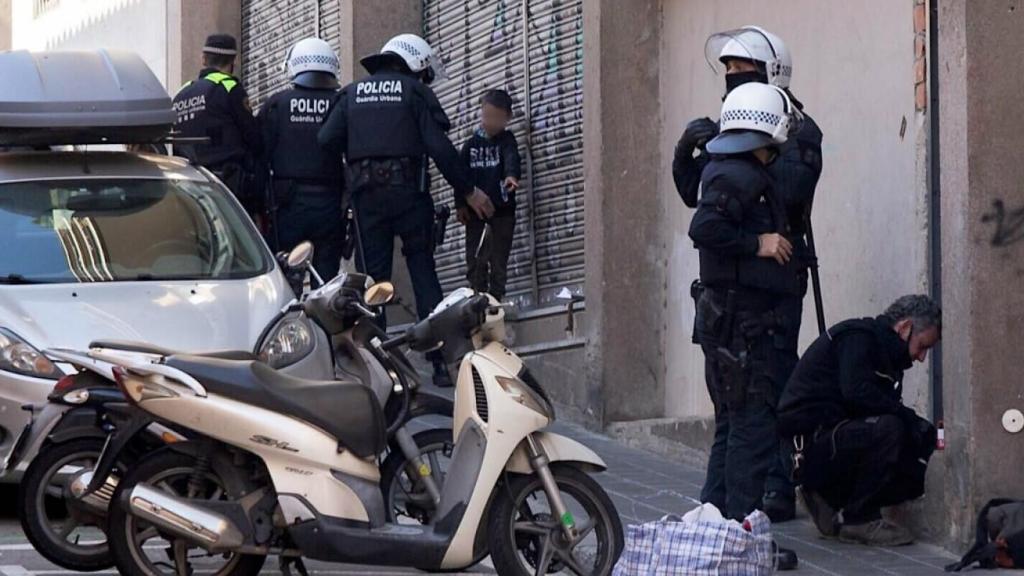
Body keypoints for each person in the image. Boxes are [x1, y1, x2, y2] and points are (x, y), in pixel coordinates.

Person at [674, 26, 824, 522]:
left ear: (771, 72)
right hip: (735, 305)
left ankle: (767, 495)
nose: (733, 78)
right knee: (741, 417)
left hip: (770, 299)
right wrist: (688, 151)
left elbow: (787, 192)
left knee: (762, 409)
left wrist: (739, 144)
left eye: (744, 70)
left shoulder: (795, 132)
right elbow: (702, 204)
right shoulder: (735, 138)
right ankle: (729, 522)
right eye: (729, 70)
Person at [318, 33, 494, 387]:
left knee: (374, 283)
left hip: (366, 199)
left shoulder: (351, 94)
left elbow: (325, 139)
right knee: (423, 271)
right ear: (414, 64)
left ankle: (379, 365)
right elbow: (440, 149)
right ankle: (441, 363)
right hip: (410, 195)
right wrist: (469, 191)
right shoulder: (413, 92)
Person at [689, 81, 803, 571]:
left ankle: (716, 528)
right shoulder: (737, 174)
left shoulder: (733, 168)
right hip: (745, 332)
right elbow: (705, 228)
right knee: (751, 434)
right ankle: (740, 539)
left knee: (733, 428)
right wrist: (759, 243)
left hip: (731, 327)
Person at [777, 295, 941, 547]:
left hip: (832, 441)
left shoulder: (886, 355)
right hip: (808, 447)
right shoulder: (858, 339)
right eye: (922, 346)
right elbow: (857, 395)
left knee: (914, 467)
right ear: (905, 327)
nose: (921, 358)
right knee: (890, 430)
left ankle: (831, 502)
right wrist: (910, 421)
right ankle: (858, 518)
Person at [258, 37, 345, 278]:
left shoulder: (277, 103)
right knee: (326, 279)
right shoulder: (341, 102)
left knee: (285, 275)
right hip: (330, 203)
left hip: (287, 205)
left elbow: (260, 154)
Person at [172, 34, 263, 218]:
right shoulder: (229, 87)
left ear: (203, 59)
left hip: (189, 189)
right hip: (227, 189)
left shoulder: (181, 94)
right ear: (233, 61)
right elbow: (254, 137)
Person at [457, 89, 521, 301]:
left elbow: (512, 159)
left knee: (499, 261)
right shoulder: (471, 145)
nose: (490, 122)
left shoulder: (507, 141)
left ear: (507, 118)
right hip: (476, 215)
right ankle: (477, 300)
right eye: (486, 116)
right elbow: (460, 176)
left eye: (496, 118)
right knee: (475, 260)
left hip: (502, 213)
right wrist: (460, 205)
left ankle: (495, 300)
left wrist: (511, 176)